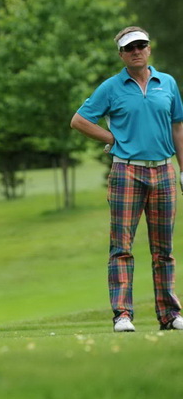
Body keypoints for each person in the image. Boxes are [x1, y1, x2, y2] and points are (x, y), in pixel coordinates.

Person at [71, 26, 183, 333]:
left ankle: (169, 314)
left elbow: (178, 127)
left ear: (149, 49)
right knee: (121, 247)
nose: (136, 51)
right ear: (121, 54)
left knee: (164, 249)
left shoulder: (167, 83)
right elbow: (79, 120)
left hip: (163, 170)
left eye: (141, 45)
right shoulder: (111, 87)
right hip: (127, 171)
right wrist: (112, 140)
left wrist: (182, 170)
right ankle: (122, 314)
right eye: (129, 48)